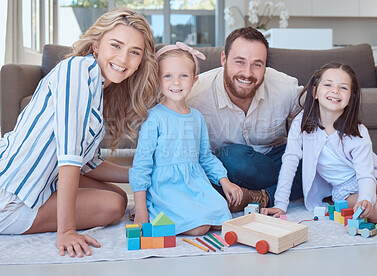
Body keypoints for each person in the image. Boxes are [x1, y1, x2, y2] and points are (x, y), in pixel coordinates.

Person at [0, 8, 158, 258]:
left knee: (117, 194)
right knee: (114, 204)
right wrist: (67, 231)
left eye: (134, 52)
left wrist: (142, 173)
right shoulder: (77, 69)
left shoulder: (100, 87)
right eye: (116, 46)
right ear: (96, 46)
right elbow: (70, 158)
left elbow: (89, 164)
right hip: (11, 197)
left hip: (43, 179)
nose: (124, 59)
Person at [261, 62, 377, 223]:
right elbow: (290, 162)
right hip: (345, 189)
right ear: (315, 92)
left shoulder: (357, 131)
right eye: (328, 84)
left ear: (350, 99)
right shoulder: (302, 123)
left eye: (343, 88)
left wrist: (367, 197)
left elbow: (366, 174)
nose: (335, 91)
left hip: (375, 175)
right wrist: (280, 204)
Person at [129, 42, 243, 236]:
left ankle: (193, 211)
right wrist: (140, 208)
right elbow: (142, 164)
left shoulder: (197, 117)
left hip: (194, 183)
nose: (176, 83)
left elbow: (205, 156)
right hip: (166, 187)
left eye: (183, 76)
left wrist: (225, 181)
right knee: (200, 228)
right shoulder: (154, 118)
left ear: (194, 80)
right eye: (168, 76)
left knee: (222, 218)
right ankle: (152, 207)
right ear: (158, 80)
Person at [186, 27, 303, 212]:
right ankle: (284, 189)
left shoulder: (285, 87)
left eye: (257, 64)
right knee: (235, 158)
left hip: (273, 161)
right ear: (224, 59)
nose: (247, 73)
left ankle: (262, 197)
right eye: (240, 62)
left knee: (314, 158)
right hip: (228, 167)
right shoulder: (194, 95)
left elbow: (313, 121)